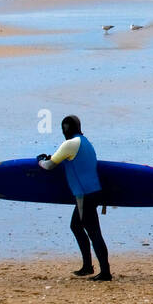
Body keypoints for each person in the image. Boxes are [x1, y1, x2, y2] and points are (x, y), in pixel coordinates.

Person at [37, 114, 111, 281]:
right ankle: (87, 267)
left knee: (94, 233)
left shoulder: (70, 144)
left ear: (65, 129)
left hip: (84, 194)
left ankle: (105, 272)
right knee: (76, 226)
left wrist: (40, 160)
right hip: (94, 191)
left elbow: (49, 166)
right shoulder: (86, 143)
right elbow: (74, 162)